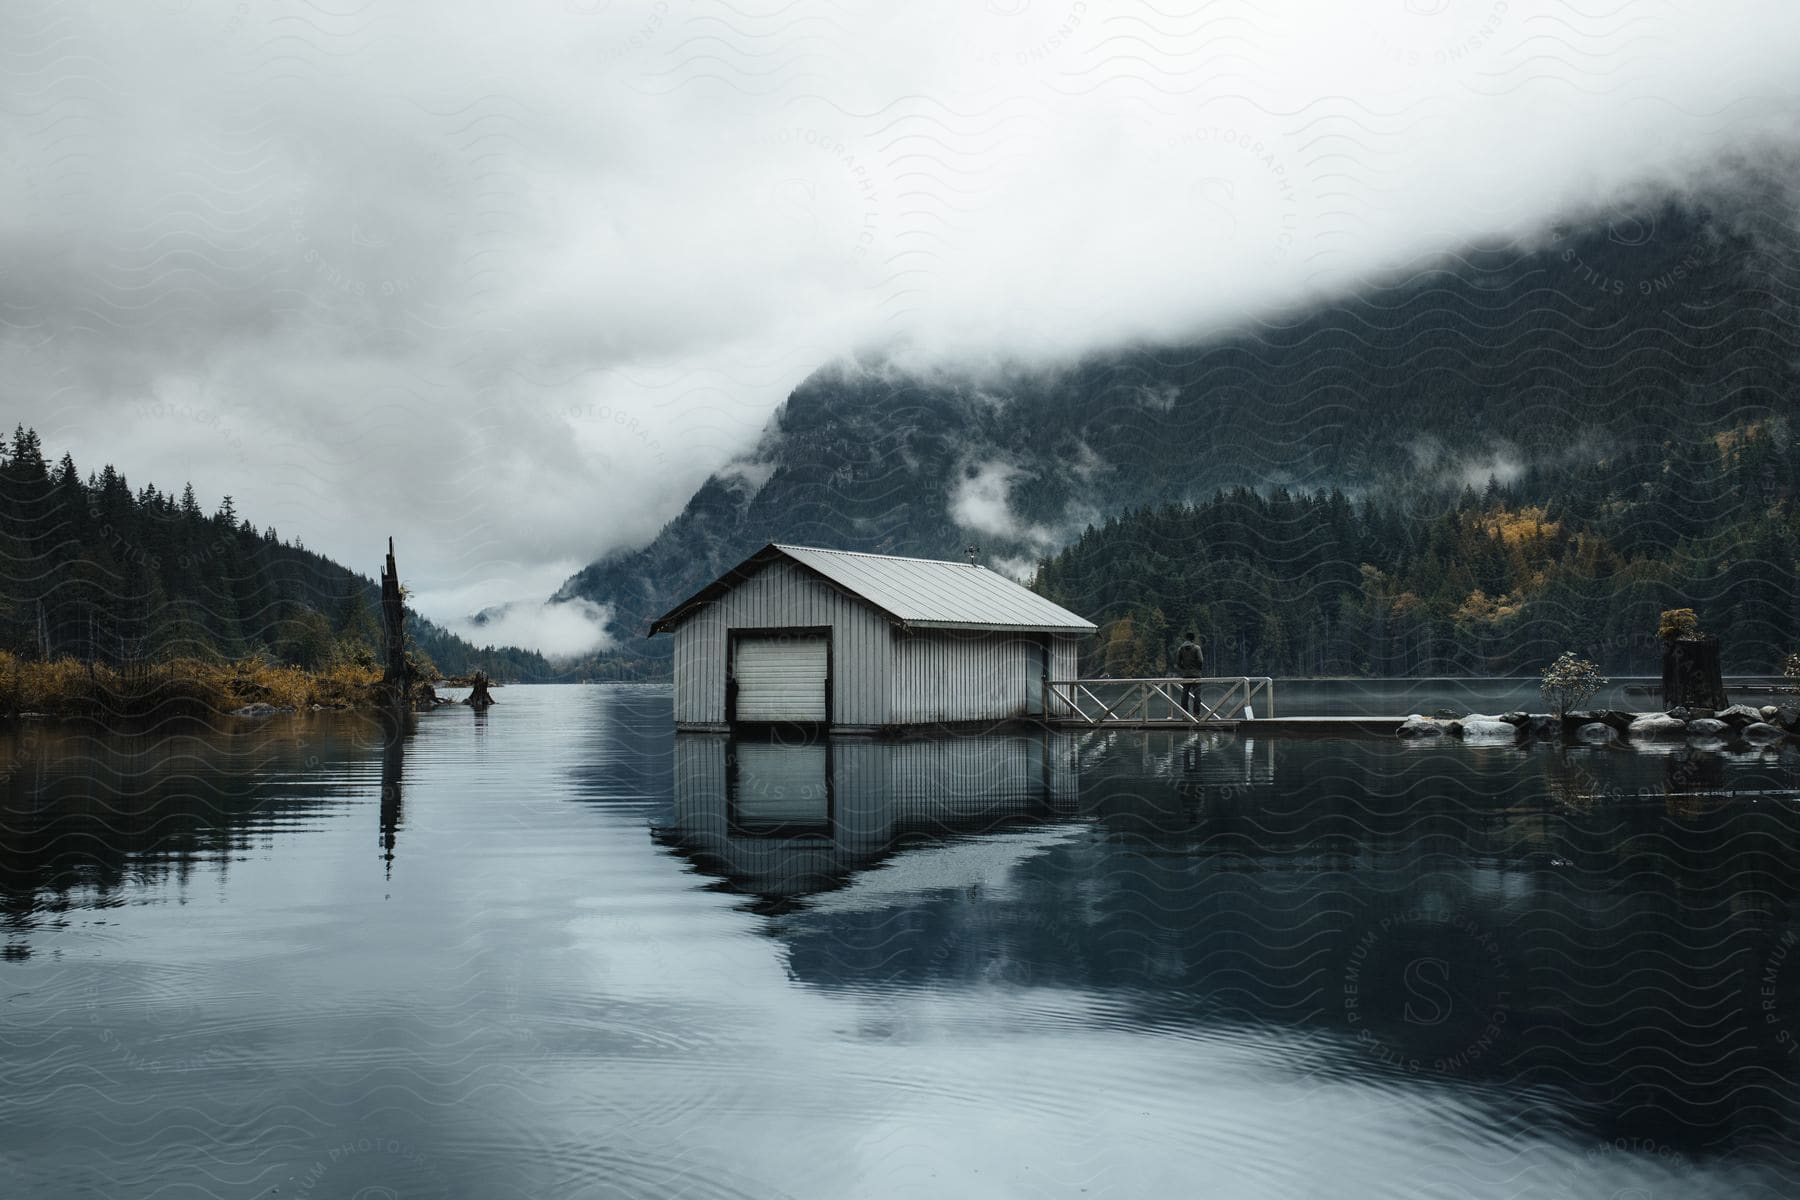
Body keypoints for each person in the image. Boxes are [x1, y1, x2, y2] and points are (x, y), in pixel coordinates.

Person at [1174, 631, 1205, 715]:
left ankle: (1185, 714)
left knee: (1185, 694)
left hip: (1186, 674)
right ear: (1193, 639)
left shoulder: (1181, 649)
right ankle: (1196, 714)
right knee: (1197, 694)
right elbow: (1200, 660)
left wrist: (1184, 669)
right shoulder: (1196, 648)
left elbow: (1178, 662)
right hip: (1196, 675)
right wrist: (1199, 669)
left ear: (1186, 638)